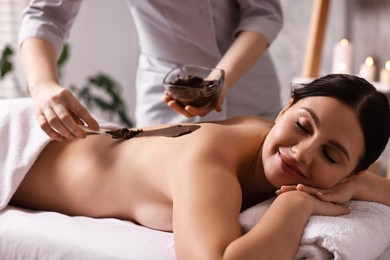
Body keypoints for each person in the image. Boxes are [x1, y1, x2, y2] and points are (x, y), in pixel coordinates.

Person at [6, 74, 390, 259]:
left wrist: (355, 189)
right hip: (18, 143)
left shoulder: (269, 143)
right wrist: (296, 205)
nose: (302, 153)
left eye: (330, 155)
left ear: (353, 171)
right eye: (302, 126)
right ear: (285, 108)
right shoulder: (210, 161)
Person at [18, 0, 283, 142]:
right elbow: (45, 14)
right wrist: (42, 85)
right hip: (167, 98)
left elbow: (264, 13)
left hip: (251, 88)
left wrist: (220, 82)